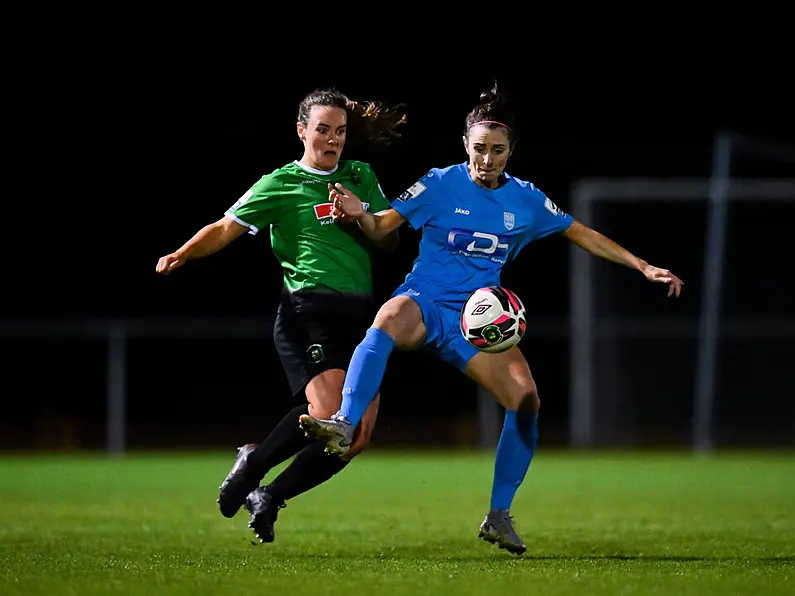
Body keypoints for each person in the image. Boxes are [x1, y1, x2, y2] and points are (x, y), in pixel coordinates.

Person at [299, 82, 684, 555]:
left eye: (497, 150)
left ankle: (498, 515)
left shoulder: (525, 200)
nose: (487, 159)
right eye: (479, 149)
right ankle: (343, 421)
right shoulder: (440, 184)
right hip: (424, 302)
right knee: (388, 317)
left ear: (511, 151)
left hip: (476, 319)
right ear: (465, 146)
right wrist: (361, 214)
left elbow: (580, 232)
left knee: (526, 400)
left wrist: (643, 265)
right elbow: (381, 227)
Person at [155, 88, 407, 543]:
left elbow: (388, 241)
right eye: (323, 130)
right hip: (307, 309)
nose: (333, 140)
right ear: (302, 131)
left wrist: (363, 215)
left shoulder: (360, 176)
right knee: (332, 414)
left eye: (341, 132)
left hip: (360, 316)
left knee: (355, 436)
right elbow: (225, 228)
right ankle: (253, 463)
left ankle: (269, 494)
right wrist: (184, 253)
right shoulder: (280, 183)